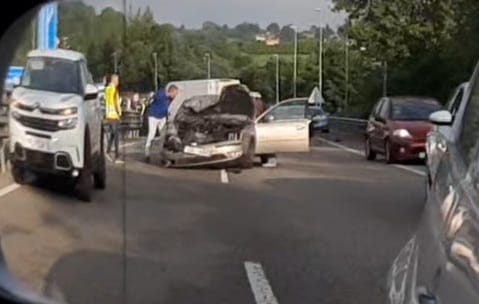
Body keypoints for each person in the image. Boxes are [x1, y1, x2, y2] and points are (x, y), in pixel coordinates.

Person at [144, 85, 178, 163]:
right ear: (171, 92)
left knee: (163, 136)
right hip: (153, 116)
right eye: (175, 94)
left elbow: (166, 107)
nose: (175, 96)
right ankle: (147, 153)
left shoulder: (170, 99)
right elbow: (152, 96)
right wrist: (148, 99)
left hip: (162, 117)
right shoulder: (160, 94)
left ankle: (162, 155)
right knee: (152, 134)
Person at [104, 74, 123, 164]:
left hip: (108, 114)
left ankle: (107, 151)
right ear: (114, 80)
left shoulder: (107, 89)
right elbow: (116, 103)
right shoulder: (114, 90)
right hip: (114, 115)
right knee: (116, 136)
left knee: (112, 134)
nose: (118, 82)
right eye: (117, 80)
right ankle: (116, 157)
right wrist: (119, 113)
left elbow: (106, 101)